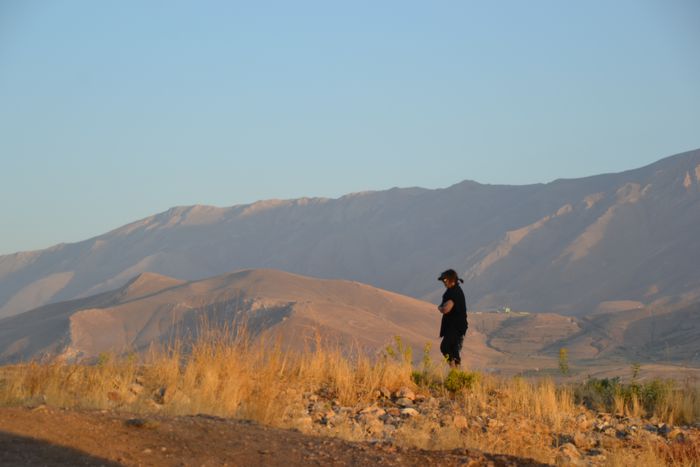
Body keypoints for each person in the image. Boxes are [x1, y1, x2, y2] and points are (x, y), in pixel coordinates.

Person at [437, 269, 468, 368]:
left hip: (455, 326)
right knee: (454, 349)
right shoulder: (453, 291)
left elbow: (446, 309)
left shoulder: (454, 292)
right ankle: (456, 372)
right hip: (457, 326)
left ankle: (454, 369)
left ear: (452, 280)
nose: (444, 282)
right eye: (443, 281)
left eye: (445, 280)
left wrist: (440, 308)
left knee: (445, 347)